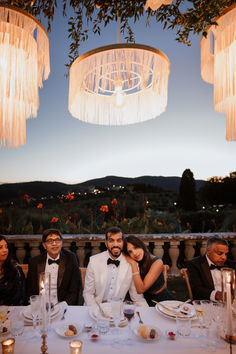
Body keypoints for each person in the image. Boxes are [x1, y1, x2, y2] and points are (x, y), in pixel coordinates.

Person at [83, 227, 148, 307]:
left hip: (118, 310)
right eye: (111, 241)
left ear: (123, 243)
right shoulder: (94, 261)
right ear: (106, 243)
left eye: (119, 240)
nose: (115, 244)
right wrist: (95, 311)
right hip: (96, 307)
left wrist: (146, 314)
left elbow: (137, 297)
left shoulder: (132, 264)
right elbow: (88, 293)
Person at [27, 228, 81, 305]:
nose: (54, 244)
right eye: (50, 241)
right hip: (41, 306)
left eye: (57, 240)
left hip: (63, 305)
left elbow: (74, 290)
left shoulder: (71, 259)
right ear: (44, 245)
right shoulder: (34, 262)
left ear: (61, 243)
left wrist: (63, 305)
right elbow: (30, 290)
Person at [123, 235, 174, 306]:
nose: (134, 253)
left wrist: (133, 264)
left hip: (161, 300)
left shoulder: (157, 262)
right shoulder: (134, 262)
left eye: (136, 248)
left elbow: (140, 290)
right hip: (144, 299)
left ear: (142, 246)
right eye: (130, 252)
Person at [187, 236, 236, 301]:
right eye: (219, 253)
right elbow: (197, 290)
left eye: (226, 254)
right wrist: (216, 295)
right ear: (208, 251)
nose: (224, 257)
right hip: (208, 304)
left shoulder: (231, 265)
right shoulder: (195, 264)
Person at [0, 235, 25, 305]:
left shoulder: (15, 269)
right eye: (0, 247)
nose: (5, 250)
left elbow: (20, 296)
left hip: (12, 310)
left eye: (6, 246)